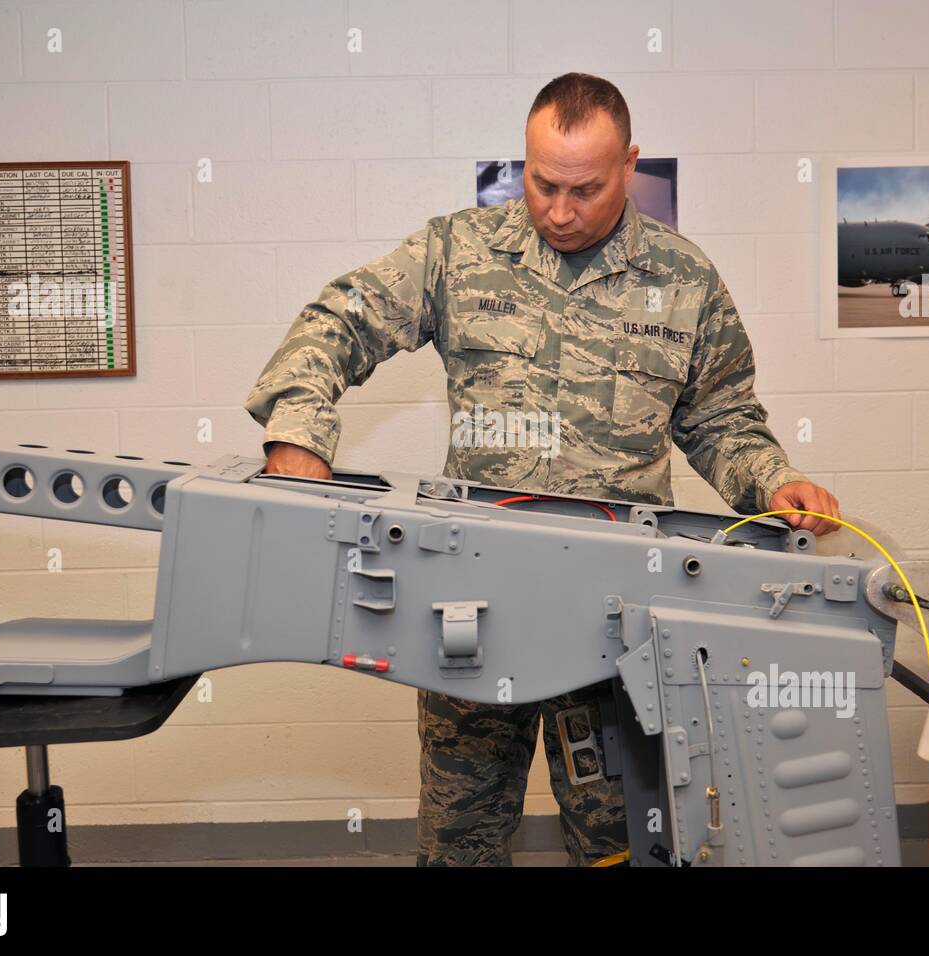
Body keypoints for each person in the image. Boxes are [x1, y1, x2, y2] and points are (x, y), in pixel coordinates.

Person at [244, 72, 840, 866]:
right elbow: (338, 323)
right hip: (471, 609)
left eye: (585, 189)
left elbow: (723, 418)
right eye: (542, 183)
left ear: (629, 165)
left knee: (625, 842)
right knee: (460, 845)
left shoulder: (685, 282)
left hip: (619, 618)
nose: (559, 210)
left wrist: (770, 481)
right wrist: (298, 436)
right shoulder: (458, 252)